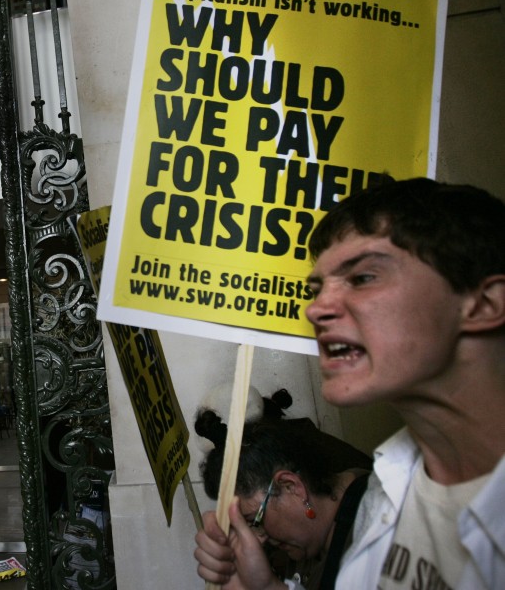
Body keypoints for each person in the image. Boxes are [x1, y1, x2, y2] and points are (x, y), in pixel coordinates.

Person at [198, 178, 505, 589]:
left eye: (362, 278)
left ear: (484, 304)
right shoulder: (384, 494)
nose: (316, 308)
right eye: (317, 288)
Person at [193, 406, 372, 590]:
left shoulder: (375, 529)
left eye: (255, 521)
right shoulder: (304, 547)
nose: (258, 539)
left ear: (291, 486)